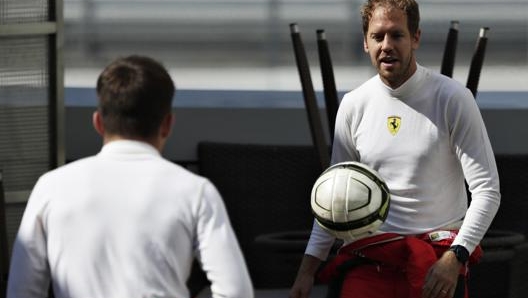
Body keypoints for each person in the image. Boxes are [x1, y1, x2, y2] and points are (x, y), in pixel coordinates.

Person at [289, 0, 500, 298]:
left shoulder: (453, 98)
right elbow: (335, 199)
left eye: (397, 35)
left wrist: (455, 258)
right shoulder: (353, 104)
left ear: (416, 37)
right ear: (365, 43)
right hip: (370, 259)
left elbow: (487, 191)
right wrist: (306, 271)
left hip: (437, 261)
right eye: (377, 36)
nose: (386, 45)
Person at [7, 55, 254, 298]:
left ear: (98, 122)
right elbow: (236, 291)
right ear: (167, 124)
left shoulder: (52, 187)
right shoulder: (195, 191)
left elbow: (22, 290)